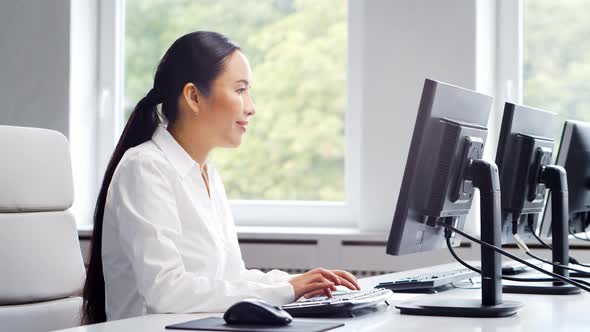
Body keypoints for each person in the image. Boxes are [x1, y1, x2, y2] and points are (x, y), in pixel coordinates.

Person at [81, 31, 360, 325]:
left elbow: (230, 279)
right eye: (240, 90)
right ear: (193, 97)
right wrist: (286, 290)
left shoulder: (207, 173)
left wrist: (300, 282)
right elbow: (166, 292)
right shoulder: (144, 168)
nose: (251, 107)